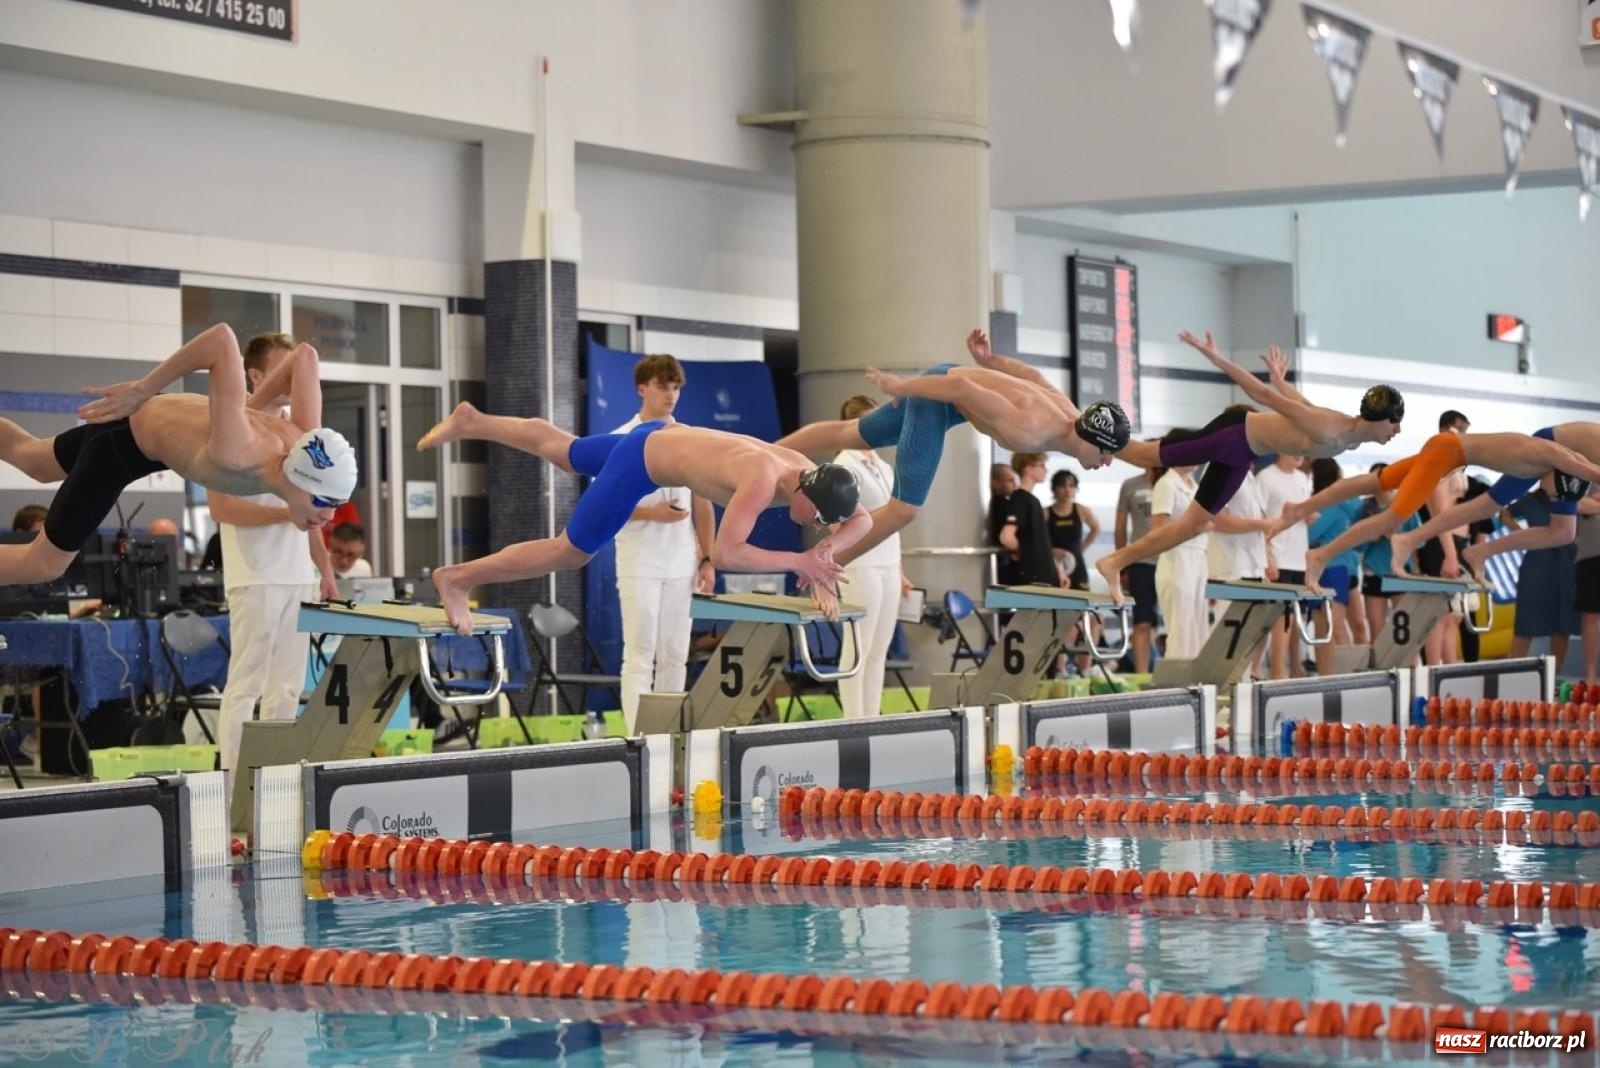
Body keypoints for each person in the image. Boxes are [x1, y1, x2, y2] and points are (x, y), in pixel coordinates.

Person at [417, 403, 870, 635]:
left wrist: (822, 554)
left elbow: (862, 522)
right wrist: (800, 562)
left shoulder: (806, 470)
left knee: (566, 451)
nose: (817, 526)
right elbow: (727, 553)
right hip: (643, 462)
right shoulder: (762, 476)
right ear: (809, 498)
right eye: (818, 522)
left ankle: (473, 421)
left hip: (658, 435)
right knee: (569, 553)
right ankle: (458, 578)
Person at [0, 323, 357, 587]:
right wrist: (142, 389)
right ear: (300, 478)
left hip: (150, 432)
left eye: (335, 504)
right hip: (123, 445)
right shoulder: (239, 451)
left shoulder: (306, 439)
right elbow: (221, 340)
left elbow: (306, 357)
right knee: (44, 564)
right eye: (324, 502)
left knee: (33, 460)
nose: (328, 516)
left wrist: (251, 406)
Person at [1094, 330, 1405, 601]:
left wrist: (1281, 381)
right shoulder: (1331, 429)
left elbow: (1303, 405)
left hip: (1243, 455)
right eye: (1395, 423)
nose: (1397, 431)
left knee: (1195, 525)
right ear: (1380, 419)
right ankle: (1086, 433)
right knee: (1145, 456)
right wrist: (1214, 356)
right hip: (1231, 434)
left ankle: (1114, 561)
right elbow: (1260, 394)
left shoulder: (1350, 436)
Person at [778, 329, 1130, 565]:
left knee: (851, 433)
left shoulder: (1069, 415)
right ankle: (821, 564)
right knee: (905, 510)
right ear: (1090, 438)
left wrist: (991, 360)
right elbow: (961, 389)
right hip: (941, 393)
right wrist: (904, 386)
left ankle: (769, 454)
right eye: (1106, 452)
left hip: (948, 390)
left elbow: (1033, 377)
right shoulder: (1031, 430)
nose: (1108, 462)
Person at [209, 331, 340, 781]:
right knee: (247, 684)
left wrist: (324, 570)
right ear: (256, 375)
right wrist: (287, 513)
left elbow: (314, 512)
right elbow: (222, 507)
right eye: (286, 372)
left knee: (287, 687)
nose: (295, 382)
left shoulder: (299, 431)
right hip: (255, 574)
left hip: (297, 575)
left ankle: (277, 782)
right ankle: (234, 782)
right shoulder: (231, 424)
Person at [1283, 429, 1600, 594]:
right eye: (1554, 491)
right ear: (1560, 474)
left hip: (1449, 453)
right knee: (1392, 517)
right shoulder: (1547, 452)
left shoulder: (1552, 466)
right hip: (1445, 451)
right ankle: (1321, 555)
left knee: (1374, 481)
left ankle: (1300, 508)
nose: (1549, 496)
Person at [611, 354, 716, 732]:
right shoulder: (621, 439)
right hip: (640, 560)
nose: (670, 394)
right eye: (662, 386)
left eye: (675, 387)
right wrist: (652, 513)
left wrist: (708, 559)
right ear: (642, 389)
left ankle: (667, 732)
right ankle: (638, 736)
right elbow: (603, 507)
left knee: (675, 654)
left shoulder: (689, 438)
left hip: (681, 563)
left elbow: (704, 505)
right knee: (640, 653)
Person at [1390, 422, 1600, 580]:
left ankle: (1479, 551)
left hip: (1570, 462)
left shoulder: (1580, 458)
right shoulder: (1552, 453)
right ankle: (1408, 539)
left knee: (1562, 533)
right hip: (1549, 448)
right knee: (1486, 506)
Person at [831, 396, 911, 718]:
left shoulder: (884, 466)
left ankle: (871, 717)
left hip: (888, 562)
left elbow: (896, 521)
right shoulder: (843, 465)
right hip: (860, 562)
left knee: (879, 650)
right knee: (858, 645)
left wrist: (901, 570)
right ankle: (853, 719)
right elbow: (835, 522)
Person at [1505, 476, 1580, 665]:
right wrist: (1521, 535)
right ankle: (1511, 672)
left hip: (1567, 564)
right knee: (1526, 623)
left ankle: (1554, 677)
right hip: (1537, 563)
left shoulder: (1572, 498)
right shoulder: (1530, 500)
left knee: (1562, 626)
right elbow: (1505, 514)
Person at [1256, 454, 1312, 679]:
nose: (1299, 454)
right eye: (1293, 448)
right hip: (1279, 558)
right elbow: (1259, 519)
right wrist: (1267, 556)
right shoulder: (1266, 477)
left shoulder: (1302, 478)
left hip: (1300, 558)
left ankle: (1291, 671)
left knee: (1294, 621)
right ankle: (1276, 674)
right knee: (1280, 622)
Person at [1304, 459, 1362, 672]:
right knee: (1330, 628)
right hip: (1343, 568)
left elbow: (1309, 535)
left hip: (1331, 569)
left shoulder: (1328, 505)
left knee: (1330, 628)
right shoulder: (1350, 503)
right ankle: (1334, 674)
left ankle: (1339, 675)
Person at [1150, 465, 1209, 660]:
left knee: (1198, 630)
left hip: (1198, 557)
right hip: (1177, 558)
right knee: (1181, 629)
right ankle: (1178, 686)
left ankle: (1199, 684)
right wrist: (1194, 527)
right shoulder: (1166, 484)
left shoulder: (1195, 486)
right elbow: (1158, 530)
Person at [1114, 469, 1160, 672]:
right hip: (1142, 562)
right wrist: (1121, 564)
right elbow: (1120, 527)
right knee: (1142, 622)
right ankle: (1142, 675)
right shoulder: (1130, 485)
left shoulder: (1174, 482)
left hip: (1172, 561)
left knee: (1179, 624)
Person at [998, 453, 1058, 588]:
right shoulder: (1021, 499)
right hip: (1033, 579)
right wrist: (1030, 553)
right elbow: (1006, 537)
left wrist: (1057, 569)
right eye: (1042, 466)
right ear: (1027, 468)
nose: (1046, 470)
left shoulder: (1030, 500)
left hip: (1043, 577)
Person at [1047, 469, 1099, 590]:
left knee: (1081, 602)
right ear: (1054, 489)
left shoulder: (1081, 510)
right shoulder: (1045, 513)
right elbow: (1037, 539)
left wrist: (1081, 548)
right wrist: (1050, 551)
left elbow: (1096, 529)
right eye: (1062, 486)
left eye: (1071, 486)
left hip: (1077, 565)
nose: (1067, 490)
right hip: (1054, 565)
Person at [1574, 505, 1600, 687]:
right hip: (1590, 556)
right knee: (1591, 614)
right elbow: (1579, 504)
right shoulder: (1582, 479)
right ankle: (1590, 674)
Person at [986, 462, 1019, 586]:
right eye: (1010, 480)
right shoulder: (1001, 503)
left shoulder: (994, 503)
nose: (1015, 485)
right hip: (1002, 561)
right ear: (995, 482)